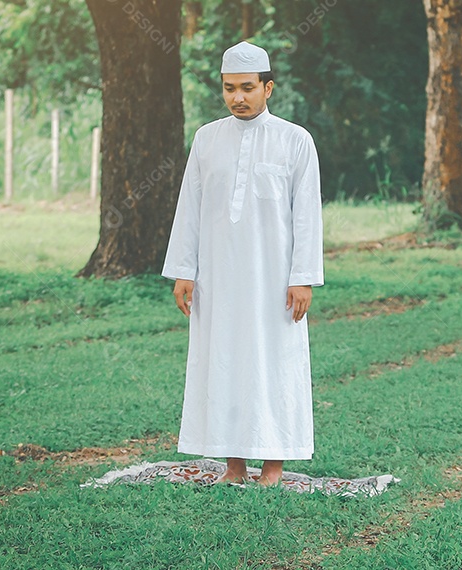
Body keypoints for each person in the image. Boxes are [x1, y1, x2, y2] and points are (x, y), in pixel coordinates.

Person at [162, 41, 324, 486]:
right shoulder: (207, 138)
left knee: (274, 364)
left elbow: (307, 215)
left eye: (248, 88)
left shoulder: (295, 140)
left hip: (274, 280)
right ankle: (233, 466)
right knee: (224, 362)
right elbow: (190, 208)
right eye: (230, 88)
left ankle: (273, 466)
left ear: (268, 88)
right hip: (218, 278)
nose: (238, 97)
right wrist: (184, 270)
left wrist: (303, 278)